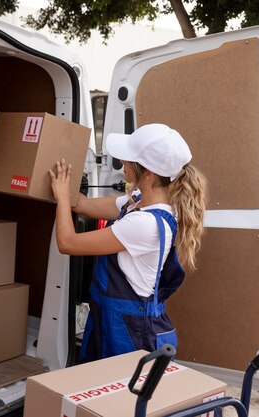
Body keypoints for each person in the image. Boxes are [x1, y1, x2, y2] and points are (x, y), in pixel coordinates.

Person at [48, 123, 207, 362]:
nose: (121, 162)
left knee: (119, 394)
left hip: (129, 329)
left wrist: (61, 198)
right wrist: (64, 187)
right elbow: (83, 205)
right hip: (112, 317)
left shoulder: (145, 224)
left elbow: (68, 243)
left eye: (128, 160)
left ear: (148, 173)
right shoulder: (138, 201)